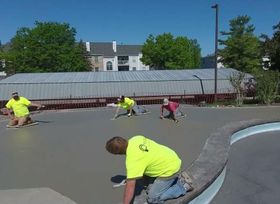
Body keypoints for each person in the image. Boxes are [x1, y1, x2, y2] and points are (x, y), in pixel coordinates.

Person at [106, 135, 193, 204]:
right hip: (171, 156)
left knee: (152, 199)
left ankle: (183, 186)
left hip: (170, 169)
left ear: (117, 153)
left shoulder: (133, 160)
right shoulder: (136, 138)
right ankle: (167, 182)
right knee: (147, 186)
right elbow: (145, 154)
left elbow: (130, 187)